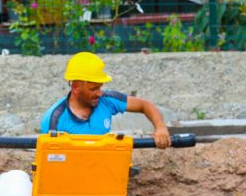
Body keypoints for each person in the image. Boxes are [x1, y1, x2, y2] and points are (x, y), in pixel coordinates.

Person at [41, 51, 171, 147]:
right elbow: (53, 161)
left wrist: (160, 128)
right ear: (75, 87)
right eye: (93, 89)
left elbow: (145, 105)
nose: (99, 93)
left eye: (100, 87)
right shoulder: (54, 119)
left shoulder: (107, 100)